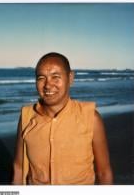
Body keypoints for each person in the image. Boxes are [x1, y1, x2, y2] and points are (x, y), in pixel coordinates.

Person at [12, 52, 113, 185]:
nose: (48, 85)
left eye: (55, 77)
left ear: (70, 78)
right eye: (41, 78)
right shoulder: (27, 116)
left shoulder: (91, 118)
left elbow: (104, 172)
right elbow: (18, 168)